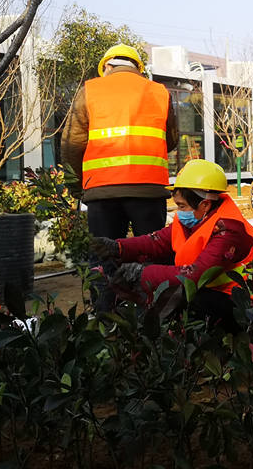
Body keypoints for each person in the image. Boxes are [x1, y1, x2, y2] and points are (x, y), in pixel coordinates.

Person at [61, 44, 178, 312]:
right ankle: (155, 317)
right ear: (138, 67)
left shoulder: (90, 90)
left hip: (102, 193)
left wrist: (79, 185)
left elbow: (71, 144)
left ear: (107, 67)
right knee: (153, 253)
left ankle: (105, 317)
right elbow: (170, 139)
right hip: (148, 191)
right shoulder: (159, 92)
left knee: (104, 256)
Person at [89, 159, 253, 332]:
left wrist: (141, 274)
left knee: (177, 298)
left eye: (181, 205)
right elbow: (157, 241)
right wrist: (117, 247)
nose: (179, 211)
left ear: (205, 204)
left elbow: (196, 275)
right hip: (207, 289)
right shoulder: (195, 218)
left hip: (236, 301)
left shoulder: (229, 231)